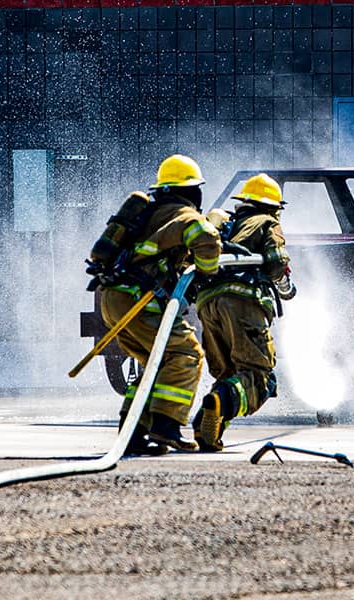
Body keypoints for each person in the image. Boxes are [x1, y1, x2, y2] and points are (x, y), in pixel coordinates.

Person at [93, 154, 221, 455]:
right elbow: (205, 239)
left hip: (112, 297)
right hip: (139, 299)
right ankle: (167, 426)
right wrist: (207, 270)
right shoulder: (183, 214)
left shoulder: (150, 212)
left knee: (156, 363)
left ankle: (133, 431)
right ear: (192, 190)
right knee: (186, 353)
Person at [190, 173, 296, 452]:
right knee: (259, 376)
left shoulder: (225, 224)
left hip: (207, 304)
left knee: (229, 374)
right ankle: (219, 403)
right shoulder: (267, 222)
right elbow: (276, 263)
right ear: (273, 207)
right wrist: (288, 290)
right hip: (242, 302)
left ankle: (205, 432)